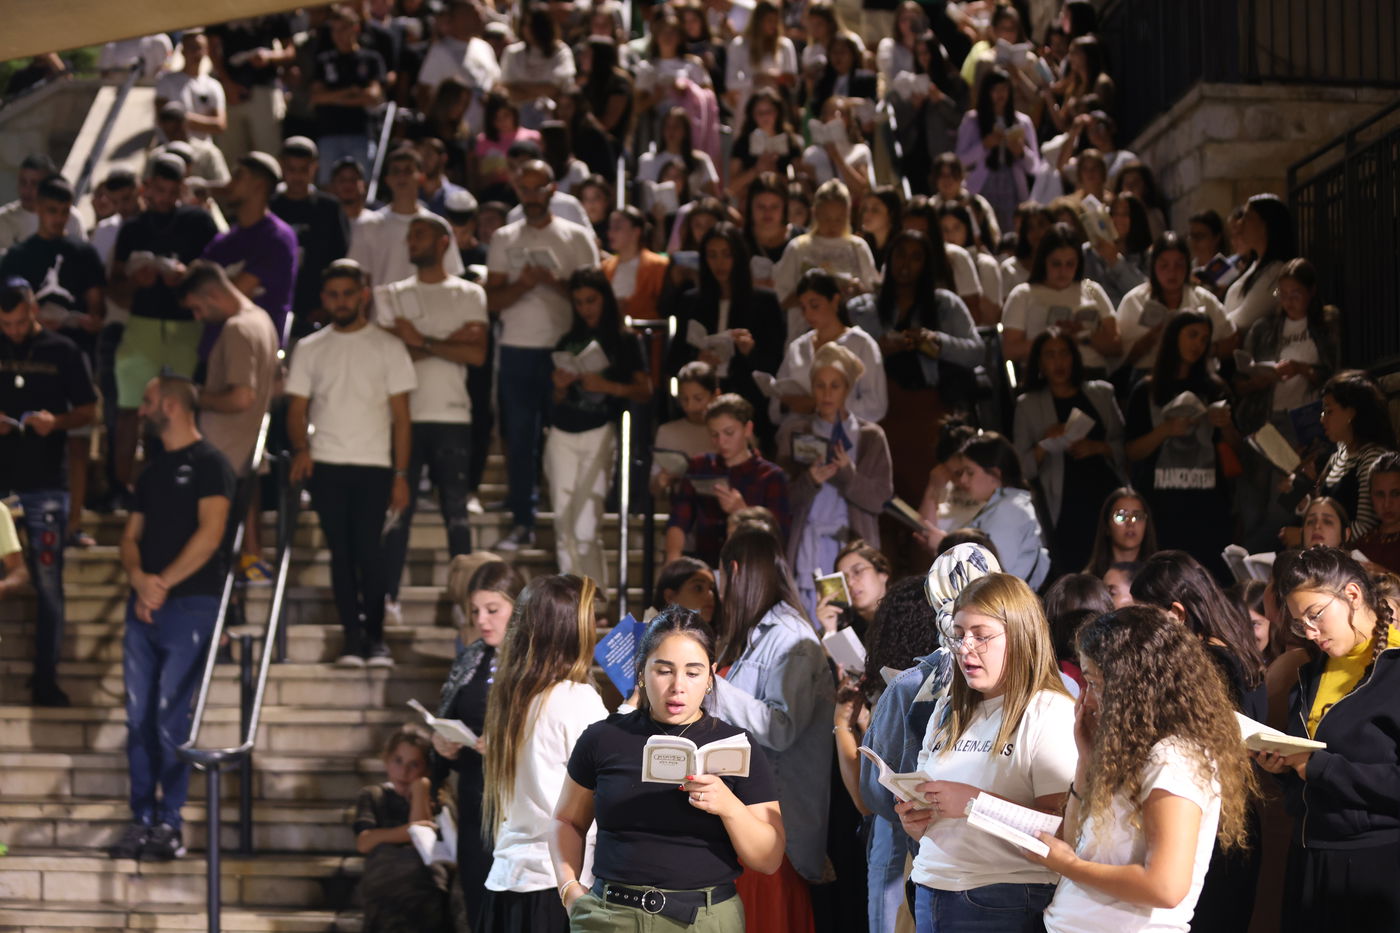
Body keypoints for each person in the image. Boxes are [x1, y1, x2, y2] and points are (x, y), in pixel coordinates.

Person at [552, 607, 786, 930]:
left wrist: (728, 806)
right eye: (664, 671)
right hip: (610, 916)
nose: (678, 686)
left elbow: (769, 859)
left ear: (710, 676)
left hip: (705, 919)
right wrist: (569, 890)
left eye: (693, 673)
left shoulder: (737, 745)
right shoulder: (602, 738)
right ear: (641, 671)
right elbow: (567, 821)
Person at [1030, 605, 1259, 933]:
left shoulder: (1174, 758)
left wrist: (1066, 865)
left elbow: (1164, 887)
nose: (1087, 699)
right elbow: (1076, 839)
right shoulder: (1131, 751)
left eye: (1093, 683)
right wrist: (1086, 761)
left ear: (1131, 684)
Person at [895, 572, 1076, 932]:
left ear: (1020, 635)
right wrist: (916, 820)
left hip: (1003, 898)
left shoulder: (1049, 711)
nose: (965, 648)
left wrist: (975, 803)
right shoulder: (949, 708)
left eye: (981, 635)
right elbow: (939, 813)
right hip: (930, 888)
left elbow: (1061, 832)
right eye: (959, 634)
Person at [108, 375, 235, 862]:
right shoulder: (151, 471)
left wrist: (159, 583)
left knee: (170, 716)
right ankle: (141, 818)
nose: (141, 410)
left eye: (148, 401)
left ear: (172, 406)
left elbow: (212, 534)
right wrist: (140, 579)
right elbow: (129, 537)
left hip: (192, 604)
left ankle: (170, 822)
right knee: (138, 716)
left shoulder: (211, 464)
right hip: (145, 605)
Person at [1253, 548, 1400, 932]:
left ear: (1352, 594)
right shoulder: (1310, 671)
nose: (1310, 632)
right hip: (1308, 856)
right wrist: (1284, 768)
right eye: (1300, 623)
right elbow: (1309, 774)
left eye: (1315, 614)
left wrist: (1319, 768)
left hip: (1377, 865)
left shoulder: (1395, 667)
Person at [287, 260, 415, 667]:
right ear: (324, 298)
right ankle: (352, 641)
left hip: (374, 465)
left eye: (347, 294)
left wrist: (400, 474)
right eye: (333, 295)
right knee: (340, 554)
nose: (340, 302)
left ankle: (375, 637)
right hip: (326, 463)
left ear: (363, 295)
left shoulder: (388, 346)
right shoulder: (310, 347)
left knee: (369, 552)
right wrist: (301, 449)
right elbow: (296, 408)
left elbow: (402, 418)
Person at [707, 527, 834, 931]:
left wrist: (713, 687)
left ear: (734, 570)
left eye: (719, 577)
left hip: (775, 823)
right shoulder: (761, 633)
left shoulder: (792, 638)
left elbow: (781, 728)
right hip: (750, 815)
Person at [479, 574, 609, 933]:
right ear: (571, 630)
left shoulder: (512, 696)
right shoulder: (576, 698)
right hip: (559, 883)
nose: (596, 629)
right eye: (590, 620)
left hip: (508, 880)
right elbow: (609, 781)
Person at [376, 212, 488, 621]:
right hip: (402, 416)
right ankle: (387, 598)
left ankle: (466, 604)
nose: (412, 242)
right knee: (397, 512)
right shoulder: (390, 294)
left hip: (452, 416)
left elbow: (477, 354)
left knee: (456, 514)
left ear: (443, 242)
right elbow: (387, 352)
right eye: (410, 235)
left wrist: (419, 340)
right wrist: (448, 342)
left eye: (420, 235)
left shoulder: (469, 294)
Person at [485, 160, 601, 551]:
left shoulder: (576, 237)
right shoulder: (503, 237)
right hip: (517, 348)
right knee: (520, 439)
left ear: (553, 190)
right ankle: (523, 521)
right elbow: (491, 300)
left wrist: (555, 284)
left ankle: (574, 526)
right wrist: (522, 284)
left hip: (564, 349)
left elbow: (596, 298)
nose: (531, 197)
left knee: (569, 438)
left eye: (538, 189)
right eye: (524, 189)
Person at [0, 278, 98, 706]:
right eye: (5, 324)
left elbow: (89, 409)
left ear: (34, 310)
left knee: (48, 582)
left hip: (45, 483)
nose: (13, 331)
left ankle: (45, 680)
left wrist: (55, 422)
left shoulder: (63, 351)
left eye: (20, 322)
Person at [0, 174, 106, 546]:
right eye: (51, 211)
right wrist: (29, 323)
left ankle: (73, 524)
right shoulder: (19, 255)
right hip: (22, 358)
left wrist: (82, 320)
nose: (58, 219)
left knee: (76, 443)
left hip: (71, 354)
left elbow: (98, 310)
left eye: (64, 211)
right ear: (37, 209)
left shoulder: (83, 253)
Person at [847, 230, 983, 517]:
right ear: (888, 259)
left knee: (928, 497)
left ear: (927, 264)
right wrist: (878, 348)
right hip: (880, 413)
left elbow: (976, 352)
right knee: (883, 494)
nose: (906, 264)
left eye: (916, 257)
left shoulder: (946, 304)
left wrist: (938, 343)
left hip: (930, 410)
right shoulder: (862, 308)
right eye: (900, 255)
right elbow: (843, 355)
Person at [432, 559, 525, 927]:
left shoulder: (539, 662)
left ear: (518, 608)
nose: (482, 620)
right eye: (475, 611)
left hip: (521, 807)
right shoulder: (470, 658)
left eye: (492, 610)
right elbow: (449, 714)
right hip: (475, 801)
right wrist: (443, 746)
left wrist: (508, 743)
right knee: (479, 906)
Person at [546, 269, 651, 588]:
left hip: (600, 430)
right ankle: (571, 599)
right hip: (562, 431)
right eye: (578, 302)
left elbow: (645, 390)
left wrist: (608, 386)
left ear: (605, 299)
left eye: (591, 300)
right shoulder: (566, 340)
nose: (585, 308)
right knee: (563, 520)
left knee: (586, 525)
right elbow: (554, 399)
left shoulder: (624, 340)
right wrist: (560, 386)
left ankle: (595, 597)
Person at [177, 260, 280, 579]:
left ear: (212, 295)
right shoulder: (262, 319)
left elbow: (241, 397)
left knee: (214, 553)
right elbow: (277, 386)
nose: (198, 317)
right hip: (242, 451)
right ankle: (252, 559)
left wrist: (194, 396)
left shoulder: (238, 328)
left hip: (225, 455)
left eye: (197, 308)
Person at [776, 342, 892, 616]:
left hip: (850, 545)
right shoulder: (795, 432)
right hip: (809, 546)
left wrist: (848, 475)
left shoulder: (870, 436)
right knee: (815, 617)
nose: (827, 394)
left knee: (851, 619)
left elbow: (880, 499)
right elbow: (782, 499)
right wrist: (809, 480)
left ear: (847, 388)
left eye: (835, 386)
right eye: (820, 385)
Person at [1124, 312, 1239, 580]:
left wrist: (1225, 425)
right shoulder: (1146, 390)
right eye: (1192, 335)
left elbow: (1238, 448)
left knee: (1209, 579)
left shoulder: (1216, 388)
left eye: (1204, 339)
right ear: (1174, 337)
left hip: (1208, 506)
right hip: (1160, 505)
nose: (1198, 344)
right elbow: (1131, 452)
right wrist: (1165, 430)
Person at [1013, 328, 1125, 577]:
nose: (1058, 362)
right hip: (1062, 504)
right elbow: (1021, 467)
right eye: (1050, 355)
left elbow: (1125, 448)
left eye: (1064, 353)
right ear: (1040, 362)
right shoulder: (1027, 405)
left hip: (1105, 493)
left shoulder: (1102, 393)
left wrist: (1097, 447)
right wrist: (1045, 442)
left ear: (1074, 357)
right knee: (1074, 574)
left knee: (1114, 570)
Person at [666, 224, 786, 448]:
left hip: (747, 404)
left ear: (738, 257)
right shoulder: (691, 302)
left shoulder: (765, 302)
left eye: (726, 255)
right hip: (701, 408)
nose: (719, 263)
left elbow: (776, 363)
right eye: (712, 255)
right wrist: (697, 360)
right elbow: (673, 361)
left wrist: (750, 351)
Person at [665, 393, 791, 567]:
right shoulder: (700, 466)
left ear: (747, 429)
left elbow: (778, 538)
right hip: (706, 565)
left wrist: (742, 511)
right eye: (714, 435)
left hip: (750, 568)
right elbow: (679, 518)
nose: (721, 441)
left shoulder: (771, 476)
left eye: (729, 433)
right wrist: (673, 556)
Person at [352, 726, 456, 933]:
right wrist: (409, 830)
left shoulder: (438, 799)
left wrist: (420, 790)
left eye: (414, 764)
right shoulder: (374, 795)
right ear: (386, 760)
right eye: (398, 761)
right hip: (386, 877)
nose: (404, 771)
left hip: (425, 882)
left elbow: (423, 843)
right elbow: (364, 842)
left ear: (427, 768)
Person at [924, 433, 1051, 590]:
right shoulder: (1006, 505)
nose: (963, 480)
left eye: (970, 472)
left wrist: (944, 547)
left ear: (995, 473)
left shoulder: (1009, 510)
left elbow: (987, 575)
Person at [199, 152, 299, 348]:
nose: (229, 185)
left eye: (238, 177)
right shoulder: (224, 240)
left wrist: (213, 290)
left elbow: (230, 298)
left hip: (254, 350)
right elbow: (193, 292)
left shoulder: (278, 238)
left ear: (259, 185)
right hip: (214, 350)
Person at [1284, 370, 1396, 544]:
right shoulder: (1339, 455)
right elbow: (1325, 512)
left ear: (1351, 413)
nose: (1322, 419)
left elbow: (1366, 527)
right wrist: (1300, 493)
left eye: (1328, 411)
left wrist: (1305, 536)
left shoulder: (1372, 458)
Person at [1234, 257, 1338, 438]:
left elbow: (1333, 374)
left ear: (1311, 291)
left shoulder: (1325, 324)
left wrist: (1300, 368)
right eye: (1282, 294)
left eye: (1295, 295)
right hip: (1269, 415)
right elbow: (1239, 383)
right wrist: (1256, 382)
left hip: (1309, 414)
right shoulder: (1262, 329)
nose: (1288, 302)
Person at [1115, 232, 1233, 388]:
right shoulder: (1134, 300)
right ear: (1153, 266)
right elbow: (1121, 358)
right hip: (1149, 375)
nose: (1172, 272)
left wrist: (1202, 348)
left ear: (1188, 266)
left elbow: (1232, 339)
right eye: (1164, 265)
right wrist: (1149, 340)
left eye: (1179, 265)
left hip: (1197, 374)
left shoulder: (1203, 299)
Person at [1001, 221, 1120, 373]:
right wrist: (1055, 339)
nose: (1063, 271)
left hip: (1091, 371)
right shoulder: (1023, 294)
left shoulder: (1091, 289)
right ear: (1044, 261)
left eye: (1070, 264)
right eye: (1056, 264)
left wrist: (1085, 335)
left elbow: (1116, 345)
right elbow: (1010, 350)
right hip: (1045, 375)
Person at [773, 268, 886, 428]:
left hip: (847, 434)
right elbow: (775, 406)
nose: (808, 314)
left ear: (835, 300)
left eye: (815, 306)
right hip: (800, 435)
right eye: (803, 308)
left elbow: (876, 406)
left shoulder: (861, 344)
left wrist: (818, 405)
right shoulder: (797, 347)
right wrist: (788, 404)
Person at [772, 180, 879, 340]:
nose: (832, 225)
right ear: (815, 213)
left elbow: (874, 295)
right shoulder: (798, 247)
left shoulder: (857, 247)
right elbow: (781, 299)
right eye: (827, 218)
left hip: (851, 334)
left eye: (839, 219)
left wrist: (857, 290)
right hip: (805, 335)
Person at [270, 137, 351, 336]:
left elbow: (338, 259)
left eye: (304, 169)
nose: (298, 177)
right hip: (275, 306)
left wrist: (327, 305)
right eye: (292, 169)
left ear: (315, 167)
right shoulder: (269, 207)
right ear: (281, 166)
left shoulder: (330, 208)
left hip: (318, 310)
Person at [955, 68, 1041, 233]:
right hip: (982, 185)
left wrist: (1021, 151)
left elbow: (1035, 167)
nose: (1000, 94)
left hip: (1012, 187)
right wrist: (984, 145)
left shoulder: (1022, 122)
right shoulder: (972, 120)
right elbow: (960, 160)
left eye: (1004, 89)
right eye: (995, 90)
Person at [310, 6, 386, 182]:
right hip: (329, 133)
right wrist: (350, 92)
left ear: (355, 28)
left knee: (362, 183)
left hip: (360, 133)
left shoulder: (371, 59)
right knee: (328, 184)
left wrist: (333, 98)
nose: (339, 35)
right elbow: (316, 97)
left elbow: (373, 96)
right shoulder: (324, 60)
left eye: (343, 28)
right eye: (335, 30)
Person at [1223, 194, 1297, 334]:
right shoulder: (1255, 265)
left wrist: (1216, 324)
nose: (1239, 224)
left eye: (1247, 217)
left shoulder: (1277, 273)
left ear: (1265, 225)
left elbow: (1245, 318)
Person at [0, 155, 87, 251]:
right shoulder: (4, 219)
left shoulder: (71, 217)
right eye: (23, 182)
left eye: (34, 183)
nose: (27, 190)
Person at [813, 539, 890, 643]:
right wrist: (830, 631)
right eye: (844, 579)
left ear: (883, 574)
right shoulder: (842, 629)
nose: (850, 583)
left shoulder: (907, 615)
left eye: (857, 571)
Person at [155, 31, 227, 140]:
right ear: (183, 51)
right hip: (173, 145)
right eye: (192, 48)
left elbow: (220, 125)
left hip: (203, 146)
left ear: (206, 51)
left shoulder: (213, 85)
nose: (196, 52)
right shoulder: (166, 81)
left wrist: (183, 118)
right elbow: (162, 119)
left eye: (200, 48)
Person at [1083, 487, 1158, 578]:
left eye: (1138, 516)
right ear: (1107, 526)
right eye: (1121, 516)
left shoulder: (1159, 578)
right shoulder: (1088, 580)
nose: (1130, 523)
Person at [1357, 453, 1400, 573]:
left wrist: (1386, 576)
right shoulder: (1363, 543)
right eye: (1380, 495)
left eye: (1396, 494)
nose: (1387, 504)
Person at [652, 556, 719, 625]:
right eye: (698, 588)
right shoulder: (648, 630)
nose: (711, 595)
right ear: (670, 597)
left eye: (711, 588)